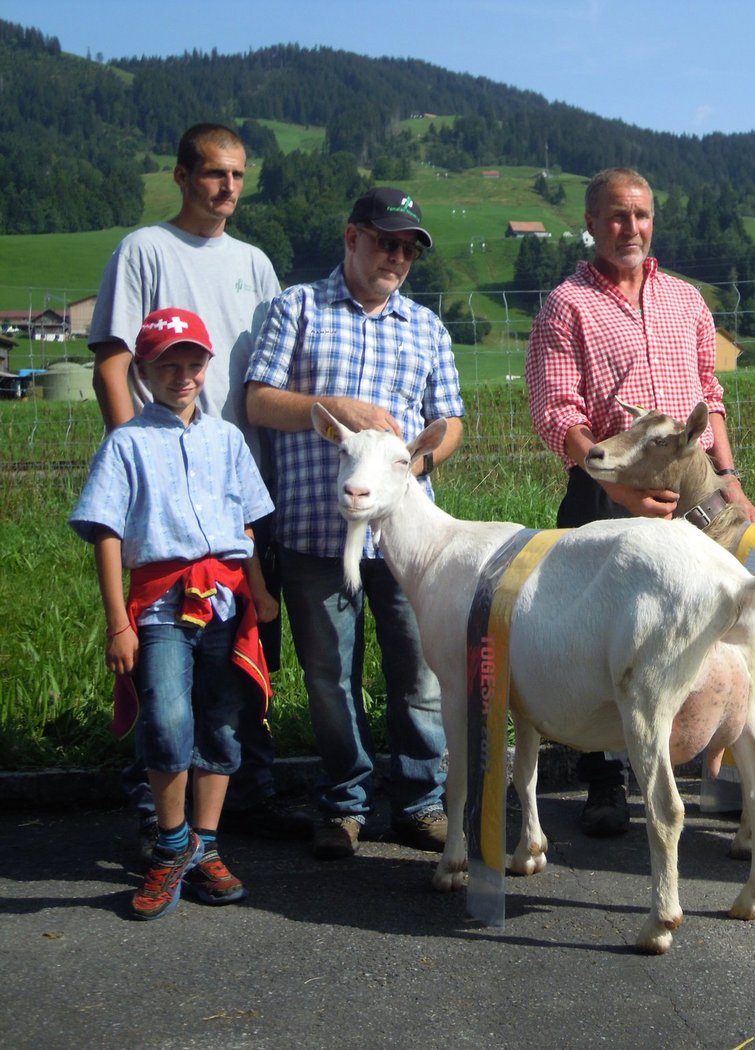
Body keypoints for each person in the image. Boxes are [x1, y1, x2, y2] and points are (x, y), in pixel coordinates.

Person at [86, 122, 302, 856]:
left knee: (243, 657)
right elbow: (114, 364)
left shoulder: (255, 264)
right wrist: (138, 460)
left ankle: (248, 795)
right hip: (165, 505)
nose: (229, 187)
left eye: (239, 174)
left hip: (238, 490)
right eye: (214, 173)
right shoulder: (145, 250)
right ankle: (160, 815)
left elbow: (275, 371)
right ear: (181, 176)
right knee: (165, 670)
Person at [525, 167, 755, 837]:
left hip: (694, 495)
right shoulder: (566, 304)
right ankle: (605, 779)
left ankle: (725, 774)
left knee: (716, 630)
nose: (631, 228)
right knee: (610, 639)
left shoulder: (686, 300)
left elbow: (709, 397)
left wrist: (729, 471)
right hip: (606, 490)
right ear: (592, 223)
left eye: (642, 215)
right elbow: (555, 413)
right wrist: (615, 486)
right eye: (617, 216)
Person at [245, 187, 465, 860]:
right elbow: (258, 399)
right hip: (316, 528)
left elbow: (450, 420)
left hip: (405, 540)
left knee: (420, 670)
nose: (397, 256)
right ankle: (345, 803)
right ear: (352, 237)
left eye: (407, 248)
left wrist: (418, 464)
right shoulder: (298, 308)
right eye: (385, 241)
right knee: (328, 676)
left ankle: (421, 800)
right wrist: (334, 405)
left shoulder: (426, 327)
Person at [70, 307, 278, 919]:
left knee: (221, 718)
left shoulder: (227, 439)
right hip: (160, 604)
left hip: (223, 598)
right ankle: (170, 843)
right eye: (169, 366)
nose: (183, 376)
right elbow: (107, 532)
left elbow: (245, 523)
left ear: (207, 368)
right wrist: (118, 622)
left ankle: (205, 845)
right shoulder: (127, 444)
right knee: (165, 716)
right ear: (144, 371)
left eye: (193, 364)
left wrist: (260, 590)